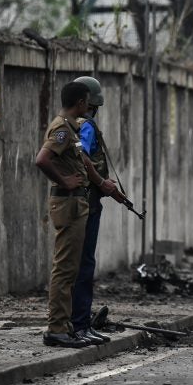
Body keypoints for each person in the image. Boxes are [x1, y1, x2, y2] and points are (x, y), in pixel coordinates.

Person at [35, 81, 117, 348]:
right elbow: (42, 159)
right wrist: (64, 180)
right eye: (87, 102)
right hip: (67, 202)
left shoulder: (71, 128)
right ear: (81, 103)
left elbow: (82, 161)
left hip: (76, 203)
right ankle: (57, 328)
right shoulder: (62, 128)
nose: (89, 107)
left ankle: (67, 326)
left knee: (71, 268)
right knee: (66, 269)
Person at [71, 76, 119, 345]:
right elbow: (84, 158)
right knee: (84, 264)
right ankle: (80, 323)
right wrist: (102, 183)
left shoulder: (68, 125)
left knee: (76, 264)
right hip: (88, 200)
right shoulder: (86, 126)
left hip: (79, 199)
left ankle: (77, 321)